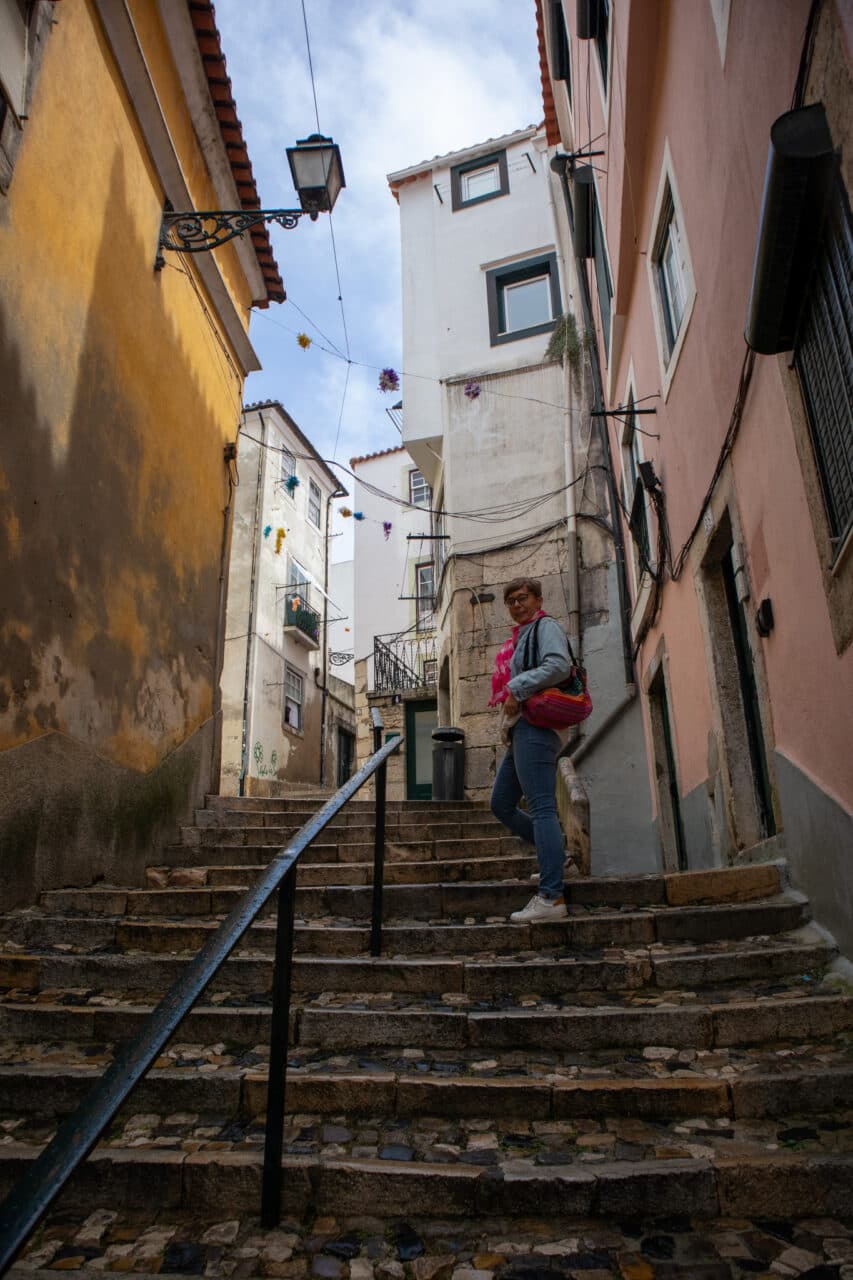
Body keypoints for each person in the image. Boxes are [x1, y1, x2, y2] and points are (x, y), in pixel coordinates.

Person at [489, 577, 573, 924]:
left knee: (541, 807)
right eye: (510, 601)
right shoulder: (522, 635)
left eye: (522, 598)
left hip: (537, 727)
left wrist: (516, 687)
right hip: (522, 728)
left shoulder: (546, 627)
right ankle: (556, 857)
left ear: (538, 599)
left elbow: (558, 666)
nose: (516, 605)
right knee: (501, 803)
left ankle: (551, 897)